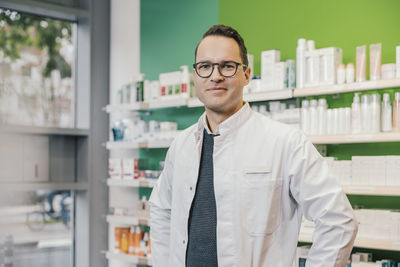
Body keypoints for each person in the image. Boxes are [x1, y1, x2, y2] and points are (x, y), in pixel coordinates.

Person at [149, 24, 358, 267]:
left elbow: (338, 221)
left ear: (246, 74)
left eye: (227, 66)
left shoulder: (285, 142)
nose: (215, 76)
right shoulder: (181, 145)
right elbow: (161, 211)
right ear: (195, 76)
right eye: (205, 67)